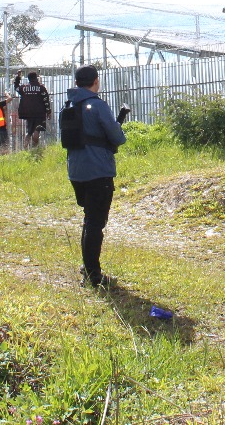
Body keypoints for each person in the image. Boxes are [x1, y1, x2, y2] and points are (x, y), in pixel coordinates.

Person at [64, 65, 127, 288]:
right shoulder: (98, 105)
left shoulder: (70, 104)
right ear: (96, 81)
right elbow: (117, 137)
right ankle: (92, 275)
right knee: (95, 223)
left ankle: (87, 266)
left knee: (89, 218)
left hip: (76, 172)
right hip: (98, 171)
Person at [15, 70, 51, 148]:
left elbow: (16, 88)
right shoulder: (41, 88)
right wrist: (48, 111)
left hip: (28, 113)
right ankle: (34, 148)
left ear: (28, 79)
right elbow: (46, 100)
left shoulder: (24, 88)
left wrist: (18, 78)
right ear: (36, 78)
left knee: (29, 132)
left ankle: (25, 147)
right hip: (39, 113)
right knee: (37, 130)